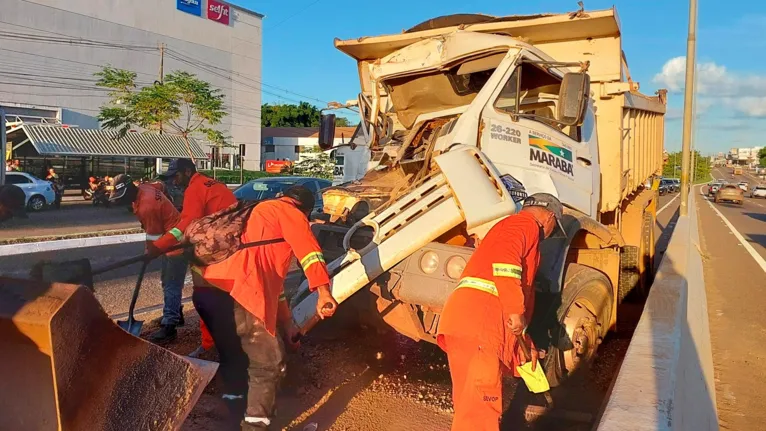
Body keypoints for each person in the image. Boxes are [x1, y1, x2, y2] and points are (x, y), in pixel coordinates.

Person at [190, 185, 338, 430]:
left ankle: (233, 410)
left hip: (210, 292)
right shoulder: (289, 212)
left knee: (238, 354)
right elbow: (310, 253)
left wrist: (287, 324)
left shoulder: (255, 212)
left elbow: (275, 286)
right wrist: (323, 292)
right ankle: (254, 426)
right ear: (305, 210)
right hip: (241, 293)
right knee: (268, 362)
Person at [437, 193, 566, 431]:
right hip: (481, 325)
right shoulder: (524, 223)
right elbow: (506, 264)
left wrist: (524, 347)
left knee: (470, 407)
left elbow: (507, 311)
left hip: (469, 323)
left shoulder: (510, 228)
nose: (549, 236)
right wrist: (517, 311)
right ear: (549, 217)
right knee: (480, 409)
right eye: (554, 229)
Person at [152, 159, 235, 357]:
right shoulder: (211, 183)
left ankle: (209, 346)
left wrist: (160, 245)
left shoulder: (195, 188)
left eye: (177, 176)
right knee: (224, 296)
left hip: (218, 248)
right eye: (171, 178)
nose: (174, 181)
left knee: (204, 296)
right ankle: (227, 340)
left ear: (188, 171)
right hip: (229, 243)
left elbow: (189, 222)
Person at [109, 174, 188, 342]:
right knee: (170, 282)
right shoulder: (145, 188)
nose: (121, 202)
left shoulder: (147, 207)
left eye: (122, 198)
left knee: (170, 284)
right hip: (174, 236)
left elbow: (154, 239)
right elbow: (160, 186)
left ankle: (170, 326)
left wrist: (148, 254)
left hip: (175, 243)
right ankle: (175, 312)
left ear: (129, 191)